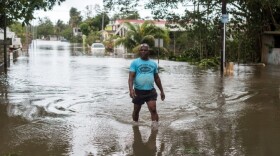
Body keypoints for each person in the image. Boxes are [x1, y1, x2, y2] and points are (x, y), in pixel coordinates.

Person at [128, 43, 165, 127]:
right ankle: (135, 126)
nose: (143, 52)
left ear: (149, 52)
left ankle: (155, 128)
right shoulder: (135, 63)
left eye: (145, 50)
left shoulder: (153, 64)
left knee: (153, 109)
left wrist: (162, 91)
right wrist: (131, 89)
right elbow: (131, 77)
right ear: (139, 51)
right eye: (141, 50)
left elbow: (157, 78)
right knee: (136, 111)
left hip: (150, 91)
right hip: (138, 91)